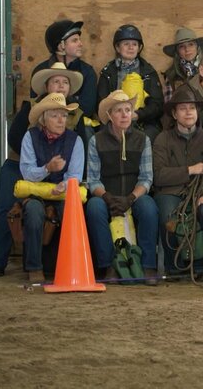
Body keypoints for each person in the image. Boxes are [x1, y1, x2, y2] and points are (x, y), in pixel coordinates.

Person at [0, 63, 84, 277]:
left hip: (58, 173)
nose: (61, 86)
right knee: (6, 208)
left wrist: (62, 178)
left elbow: (77, 152)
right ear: (46, 85)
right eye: (56, 81)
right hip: (20, 163)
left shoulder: (77, 113)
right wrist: (45, 164)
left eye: (65, 82)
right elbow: (15, 140)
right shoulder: (29, 107)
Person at [85, 91, 159, 285]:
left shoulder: (143, 140)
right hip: (106, 195)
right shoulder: (96, 140)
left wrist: (131, 198)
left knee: (149, 206)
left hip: (133, 195)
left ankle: (148, 265)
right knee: (94, 207)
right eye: (119, 111)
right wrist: (107, 197)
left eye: (128, 110)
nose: (125, 115)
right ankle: (109, 265)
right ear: (109, 115)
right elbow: (93, 180)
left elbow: (146, 178)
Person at [153, 87, 203, 281]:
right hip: (170, 192)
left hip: (200, 191)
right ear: (174, 114)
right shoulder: (162, 139)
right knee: (168, 216)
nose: (188, 112)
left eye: (192, 108)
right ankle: (174, 266)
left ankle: (200, 265)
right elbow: (159, 175)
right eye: (183, 108)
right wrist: (189, 170)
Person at [19, 93, 85, 282]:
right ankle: (34, 267)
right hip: (37, 192)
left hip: (63, 192)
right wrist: (47, 168)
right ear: (43, 119)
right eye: (55, 115)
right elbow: (27, 172)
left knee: (71, 212)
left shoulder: (75, 140)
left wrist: (63, 186)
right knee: (32, 211)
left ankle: (71, 266)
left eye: (64, 115)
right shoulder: (30, 137)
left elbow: (75, 175)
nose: (61, 120)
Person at [98, 24, 163, 140]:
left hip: (143, 121)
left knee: (149, 136)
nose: (131, 47)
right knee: (102, 136)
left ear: (139, 48)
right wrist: (117, 116)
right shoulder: (108, 73)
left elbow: (157, 104)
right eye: (126, 44)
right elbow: (102, 101)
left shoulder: (149, 72)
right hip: (114, 120)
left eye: (134, 44)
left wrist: (138, 115)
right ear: (118, 48)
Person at [31, 19, 98, 120]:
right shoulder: (40, 71)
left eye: (79, 39)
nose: (81, 44)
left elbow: (87, 110)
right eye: (74, 40)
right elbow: (35, 105)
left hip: (77, 126)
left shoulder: (87, 72)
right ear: (60, 46)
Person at [161, 27, 203, 101]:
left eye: (191, 44)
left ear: (197, 47)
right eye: (182, 46)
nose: (187, 49)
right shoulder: (171, 76)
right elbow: (169, 105)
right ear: (177, 52)